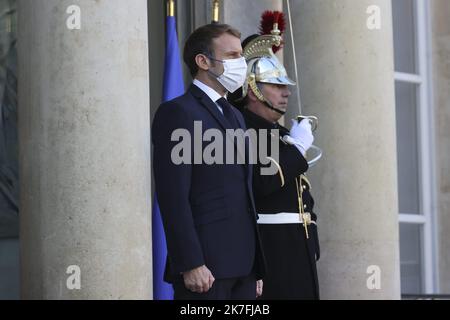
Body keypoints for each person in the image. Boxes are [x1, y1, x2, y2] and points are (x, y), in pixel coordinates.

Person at [152, 23, 265, 300]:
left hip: (244, 267)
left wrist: (256, 268)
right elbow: (173, 196)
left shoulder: (235, 115)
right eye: (232, 56)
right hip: (206, 268)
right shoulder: (178, 112)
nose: (241, 64)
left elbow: (242, 190)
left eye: (241, 56)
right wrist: (191, 262)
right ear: (203, 61)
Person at [228, 25, 321, 299]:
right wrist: (298, 148)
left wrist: (311, 236)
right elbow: (262, 181)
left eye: (286, 85)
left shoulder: (280, 134)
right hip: (270, 251)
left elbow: (303, 197)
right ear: (253, 89)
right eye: (277, 85)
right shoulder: (242, 129)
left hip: (297, 249)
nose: (286, 92)